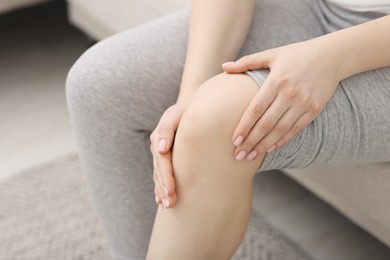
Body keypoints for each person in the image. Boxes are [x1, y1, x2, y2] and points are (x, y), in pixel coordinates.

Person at [66, 0, 390, 259]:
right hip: (322, 10)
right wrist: (188, 97)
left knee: (215, 122)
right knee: (98, 87)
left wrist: (332, 58)